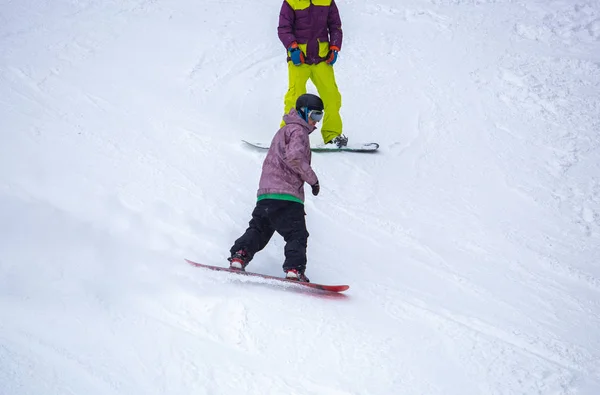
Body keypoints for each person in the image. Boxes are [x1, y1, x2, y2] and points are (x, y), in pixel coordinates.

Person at [227, 93, 324, 282]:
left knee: (259, 229)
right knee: (297, 233)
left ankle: (239, 255)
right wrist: (313, 180)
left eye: (320, 117)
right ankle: (294, 269)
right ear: (303, 112)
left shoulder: (283, 131)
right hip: (287, 196)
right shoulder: (298, 131)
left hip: (267, 194)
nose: (316, 122)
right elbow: (295, 157)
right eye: (314, 116)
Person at [277, 0, 348, 148]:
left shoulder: (327, 1)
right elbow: (284, 29)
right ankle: (288, 135)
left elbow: (335, 26)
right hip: (299, 59)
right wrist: (293, 48)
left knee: (332, 95)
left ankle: (332, 135)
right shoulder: (291, 2)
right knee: (295, 96)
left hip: (321, 58)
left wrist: (334, 48)